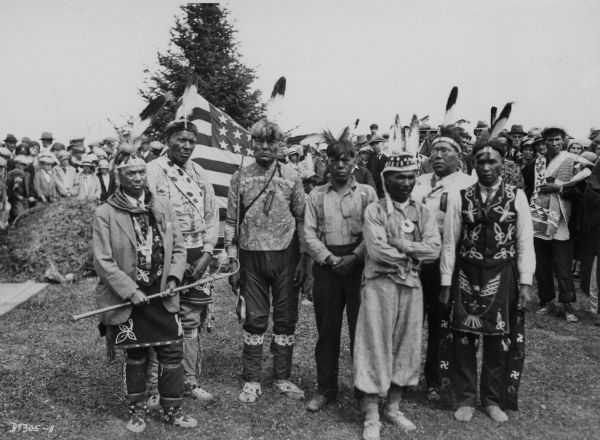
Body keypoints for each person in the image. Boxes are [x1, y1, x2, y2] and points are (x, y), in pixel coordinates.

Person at [93, 148, 197, 433]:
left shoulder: (161, 205)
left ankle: (172, 410)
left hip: (162, 295)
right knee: (136, 356)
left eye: (141, 172)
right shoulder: (106, 213)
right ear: (119, 177)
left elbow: (178, 247)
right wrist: (129, 291)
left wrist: (174, 278)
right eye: (130, 173)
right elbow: (102, 260)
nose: (138, 178)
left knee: (172, 353)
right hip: (130, 300)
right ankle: (137, 411)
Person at [439, 131, 534, 423]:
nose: (486, 166)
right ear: (474, 163)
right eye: (481, 160)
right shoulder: (459, 196)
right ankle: (465, 397)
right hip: (466, 272)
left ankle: (492, 399)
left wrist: (526, 282)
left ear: (502, 162)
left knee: (498, 340)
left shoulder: (516, 197)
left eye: (492, 161)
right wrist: (445, 283)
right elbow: (449, 242)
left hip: (502, 274)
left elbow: (524, 242)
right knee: (464, 337)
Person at [354, 143, 441, 440]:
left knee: (406, 343)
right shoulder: (375, 210)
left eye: (410, 177)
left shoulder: (423, 212)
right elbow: (377, 250)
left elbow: (433, 248)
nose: (404, 182)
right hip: (379, 284)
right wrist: (412, 255)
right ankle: (371, 413)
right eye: (398, 177)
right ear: (386, 179)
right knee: (374, 342)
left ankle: (393, 405)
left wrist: (404, 246)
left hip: (411, 285)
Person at [225, 118, 308, 403]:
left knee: (286, 318)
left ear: (279, 146)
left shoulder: (292, 176)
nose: (263, 147)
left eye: (270, 142)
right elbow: (231, 223)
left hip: (287, 256)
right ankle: (251, 379)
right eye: (258, 142)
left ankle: (282, 377)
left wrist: (303, 260)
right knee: (255, 318)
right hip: (251, 257)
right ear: (251, 144)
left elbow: (302, 218)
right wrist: (233, 262)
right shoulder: (240, 177)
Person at [304, 130, 378, 412]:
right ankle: (326, 388)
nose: (340, 164)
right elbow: (308, 233)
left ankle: (364, 391)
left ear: (355, 160)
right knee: (327, 332)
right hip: (327, 268)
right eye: (334, 159)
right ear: (327, 160)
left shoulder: (368, 193)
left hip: (360, 268)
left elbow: (375, 231)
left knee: (362, 330)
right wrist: (329, 258)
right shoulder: (316, 194)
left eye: (346, 159)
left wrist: (356, 256)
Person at [146, 120, 219, 402]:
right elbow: (148, 216)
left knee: (190, 319)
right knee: (162, 318)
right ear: (168, 140)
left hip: (198, 254)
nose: (187, 146)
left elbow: (212, 214)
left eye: (191, 141)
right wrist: (170, 260)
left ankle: (189, 380)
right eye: (181, 140)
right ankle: (154, 386)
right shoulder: (153, 171)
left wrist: (208, 252)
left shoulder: (199, 172)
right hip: (164, 256)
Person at [411, 126, 475, 402]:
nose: (437, 156)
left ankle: (435, 379)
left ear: (458, 157)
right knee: (412, 319)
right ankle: (405, 375)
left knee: (440, 321)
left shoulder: (466, 183)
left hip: (447, 261)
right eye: (435, 150)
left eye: (444, 151)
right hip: (415, 260)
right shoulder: (420, 181)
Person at [530, 125, 580, 322]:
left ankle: (567, 305)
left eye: (557, 139)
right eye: (550, 140)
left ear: (563, 140)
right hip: (539, 218)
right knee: (542, 263)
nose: (554, 143)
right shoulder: (537, 163)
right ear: (544, 142)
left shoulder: (572, 161)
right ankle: (547, 301)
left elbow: (579, 192)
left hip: (561, 220)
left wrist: (558, 189)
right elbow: (528, 187)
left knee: (562, 264)